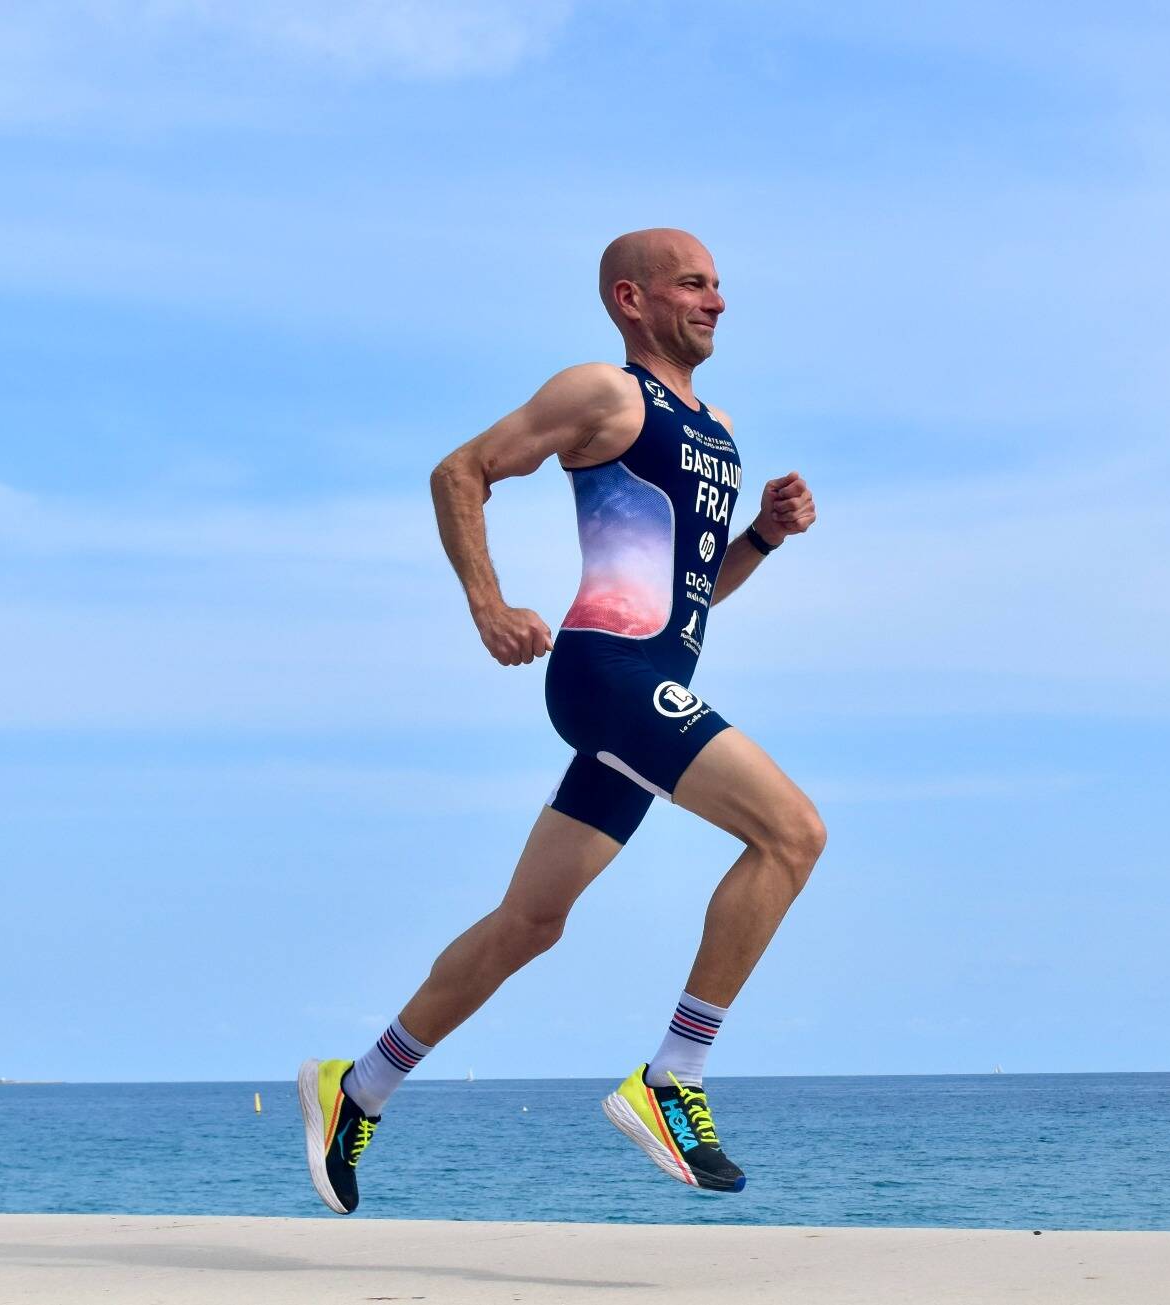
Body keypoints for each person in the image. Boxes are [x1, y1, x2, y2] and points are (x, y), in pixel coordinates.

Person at [298, 228, 822, 1214]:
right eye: (691, 284)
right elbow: (460, 472)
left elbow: (692, 594)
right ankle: (672, 1078)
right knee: (791, 833)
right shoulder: (605, 393)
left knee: (527, 925)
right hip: (607, 675)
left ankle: (354, 1090)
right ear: (631, 299)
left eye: (718, 286)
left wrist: (761, 533)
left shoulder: (715, 430)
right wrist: (488, 608)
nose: (714, 301)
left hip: (649, 680)